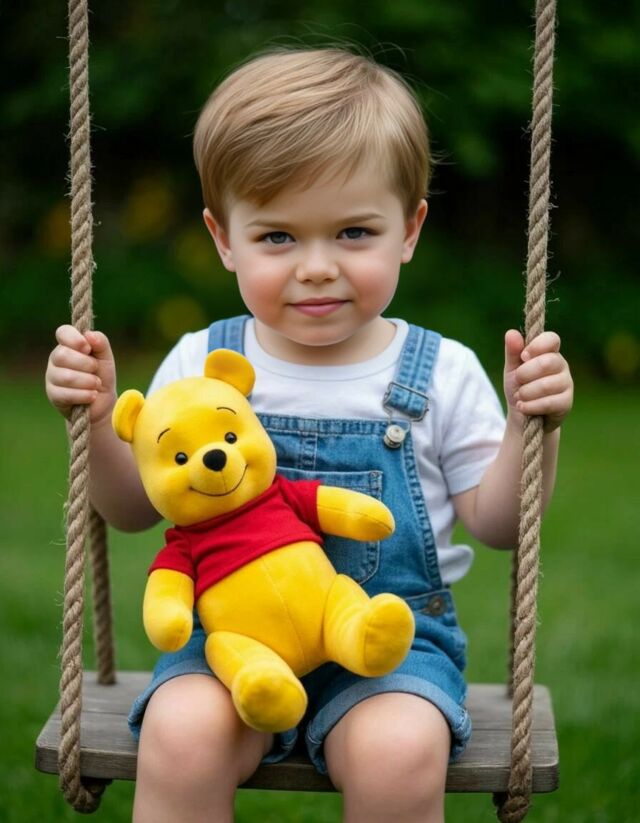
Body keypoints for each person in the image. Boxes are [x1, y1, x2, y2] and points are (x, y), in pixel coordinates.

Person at [45, 48, 573, 823]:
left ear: (409, 228)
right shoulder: (199, 363)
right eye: (278, 237)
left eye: (354, 231)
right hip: (227, 641)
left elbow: (500, 525)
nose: (317, 267)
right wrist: (96, 420)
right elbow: (131, 510)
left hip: (386, 644)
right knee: (180, 733)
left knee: (398, 750)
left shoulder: (444, 372)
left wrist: (533, 429)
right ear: (224, 239)